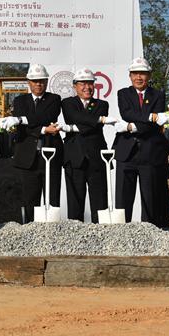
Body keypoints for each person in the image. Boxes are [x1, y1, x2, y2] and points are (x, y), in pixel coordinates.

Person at [112, 58, 169, 227]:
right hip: (126, 153)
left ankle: (149, 231)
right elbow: (127, 113)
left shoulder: (158, 95)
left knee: (149, 197)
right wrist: (150, 116)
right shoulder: (123, 93)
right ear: (130, 76)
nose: (139, 77)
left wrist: (131, 127)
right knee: (123, 198)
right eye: (136, 74)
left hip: (150, 152)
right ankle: (122, 233)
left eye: (143, 74)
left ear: (149, 76)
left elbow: (153, 126)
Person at [4, 63, 63, 224]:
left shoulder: (54, 99)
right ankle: (29, 231)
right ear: (28, 82)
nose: (38, 84)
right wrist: (44, 129)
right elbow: (24, 128)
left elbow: (46, 115)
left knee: (52, 199)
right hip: (28, 158)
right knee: (30, 199)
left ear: (46, 81)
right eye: (35, 81)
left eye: (42, 80)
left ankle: (53, 231)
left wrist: (24, 119)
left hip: (50, 156)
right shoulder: (20, 101)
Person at [60, 68, 113, 223]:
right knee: (75, 203)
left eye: (90, 83)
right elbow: (73, 116)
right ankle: (75, 236)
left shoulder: (102, 104)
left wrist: (71, 128)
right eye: (82, 83)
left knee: (100, 203)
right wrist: (97, 119)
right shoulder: (67, 103)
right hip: (74, 158)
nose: (87, 87)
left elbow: (94, 126)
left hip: (96, 158)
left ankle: (102, 235)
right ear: (75, 86)